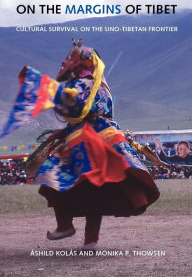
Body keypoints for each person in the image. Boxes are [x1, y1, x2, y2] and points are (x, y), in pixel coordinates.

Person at [26, 38, 160, 250]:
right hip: (92, 141)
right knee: (92, 189)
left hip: (89, 143)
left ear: (83, 63)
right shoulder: (97, 85)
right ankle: (88, 238)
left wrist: (46, 92)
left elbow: (76, 108)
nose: (64, 61)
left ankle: (67, 226)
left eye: (70, 58)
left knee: (57, 178)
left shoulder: (83, 84)